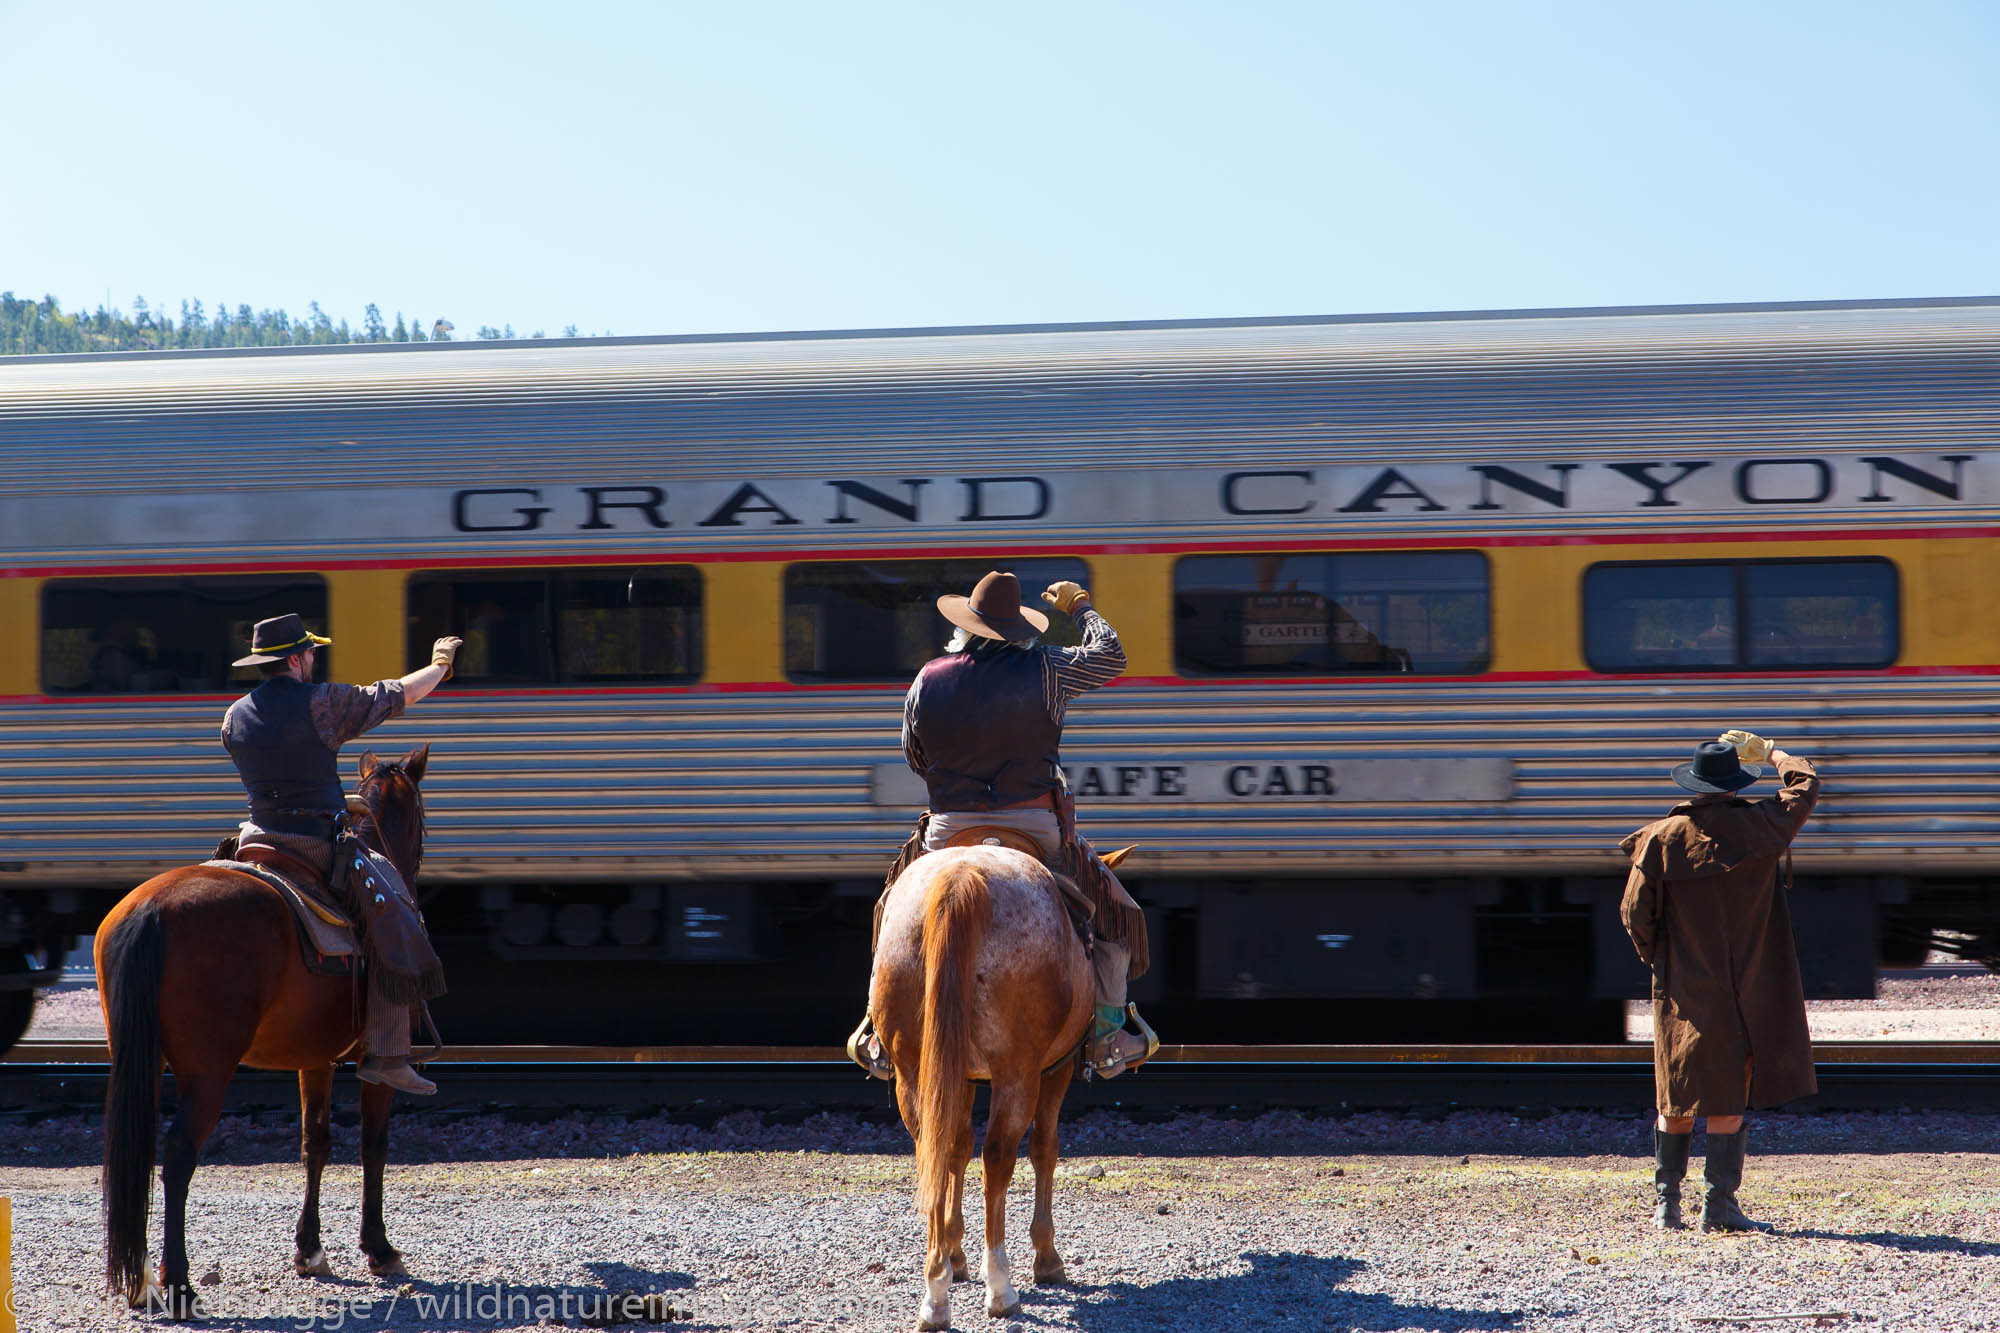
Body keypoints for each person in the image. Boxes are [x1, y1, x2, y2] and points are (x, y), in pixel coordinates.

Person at [847, 571, 1154, 1080]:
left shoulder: (928, 677)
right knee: (1114, 913)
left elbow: (914, 755)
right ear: (1022, 630)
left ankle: (877, 1027)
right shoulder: (1048, 669)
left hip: (949, 827)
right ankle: (1107, 1034)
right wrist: (1080, 609)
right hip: (1035, 826)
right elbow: (1111, 656)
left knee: (891, 907)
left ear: (965, 626)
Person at [220, 613, 463, 1095]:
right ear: (294, 659)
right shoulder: (323, 704)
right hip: (314, 842)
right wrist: (439, 664)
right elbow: (397, 694)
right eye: (309, 652)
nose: (313, 659)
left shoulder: (233, 716)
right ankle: (389, 1055)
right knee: (395, 908)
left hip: (255, 838)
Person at [1619, 730, 1821, 1232]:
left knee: (1677, 1091)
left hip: (1685, 983)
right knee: (1729, 1092)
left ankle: (1667, 1206)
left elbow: (1634, 915)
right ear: (1735, 786)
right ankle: (1719, 1206)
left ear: (1693, 786)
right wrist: (1773, 751)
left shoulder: (1660, 839)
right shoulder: (1762, 827)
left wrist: (1661, 960)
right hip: (1749, 984)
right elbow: (1806, 784)